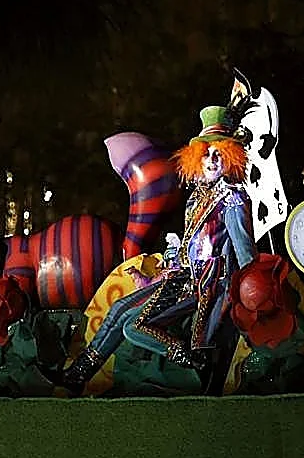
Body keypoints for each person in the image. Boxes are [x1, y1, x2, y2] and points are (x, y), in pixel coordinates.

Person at [60, 105, 257, 394]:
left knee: (132, 325)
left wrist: (253, 291)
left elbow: (245, 253)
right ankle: (77, 375)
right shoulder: (197, 198)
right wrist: (166, 266)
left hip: (208, 285)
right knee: (118, 309)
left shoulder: (232, 199)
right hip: (182, 277)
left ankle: (190, 357)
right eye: (206, 154)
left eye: (219, 154)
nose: (212, 160)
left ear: (231, 157)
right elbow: (191, 245)